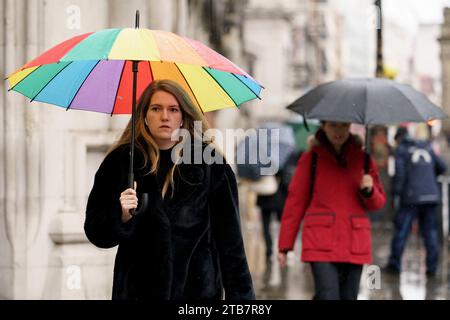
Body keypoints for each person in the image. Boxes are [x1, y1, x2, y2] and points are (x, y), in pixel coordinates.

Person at [84, 80, 255, 300]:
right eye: (156, 108)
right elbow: (96, 232)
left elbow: (231, 245)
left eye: (173, 109)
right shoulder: (121, 162)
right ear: (144, 115)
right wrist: (122, 215)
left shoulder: (211, 165)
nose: (165, 116)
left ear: (183, 115)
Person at [277, 121, 386, 300]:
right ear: (323, 126)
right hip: (320, 242)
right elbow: (295, 203)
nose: (339, 131)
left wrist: (369, 191)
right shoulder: (311, 158)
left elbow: (378, 203)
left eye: (343, 125)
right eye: (333, 125)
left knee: (348, 297)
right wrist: (284, 245)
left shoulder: (364, 160)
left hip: (354, 243)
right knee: (328, 296)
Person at [385, 126, 447, 277]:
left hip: (411, 197)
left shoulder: (401, 150)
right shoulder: (426, 146)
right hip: (431, 196)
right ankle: (432, 268)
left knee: (402, 230)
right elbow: (443, 167)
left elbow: (399, 175)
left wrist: (395, 195)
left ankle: (394, 264)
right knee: (430, 233)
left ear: (399, 138)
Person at [256, 150, 301, 262]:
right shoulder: (283, 156)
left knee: (266, 226)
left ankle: (269, 250)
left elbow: (255, 173)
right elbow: (286, 178)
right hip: (278, 198)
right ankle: (282, 249)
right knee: (281, 224)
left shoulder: (260, 155)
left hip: (265, 197)